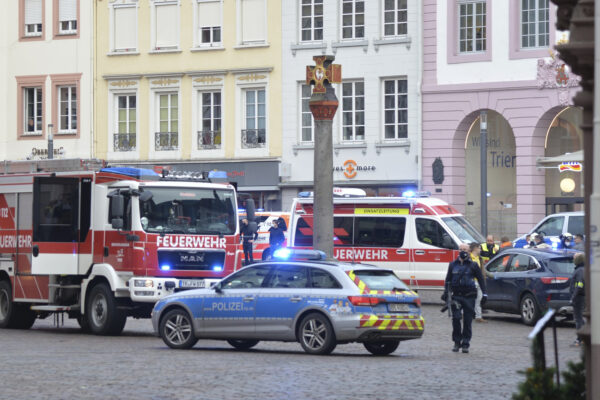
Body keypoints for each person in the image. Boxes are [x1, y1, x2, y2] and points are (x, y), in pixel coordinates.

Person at [442, 243, 487, 353]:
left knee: (467, 321)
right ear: (458, 251)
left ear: (469, 251)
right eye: (461, 249)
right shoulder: (452, 265)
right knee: (456, 319)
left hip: (469, 296)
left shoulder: (473, 265)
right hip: (456, 295)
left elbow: (481, 279)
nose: (463, 252)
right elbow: (448, 280)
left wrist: (484, 294)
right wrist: (446, 292)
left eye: (465, 250)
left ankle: (466, 343)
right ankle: (457, 342)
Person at [570, 252, 585, 347]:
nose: (573, 259)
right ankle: (583, 337)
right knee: (580, 319)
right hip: (580, 296)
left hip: (579, 297)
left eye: (574, 258)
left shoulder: (579, 270)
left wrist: (573, 297)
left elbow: (580, 284)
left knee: (578, 319)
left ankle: (580, 339)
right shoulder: (581, 269)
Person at [469, 242, 487, 323]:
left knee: (479, 299)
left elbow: (482, 270)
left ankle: (478, 316)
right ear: (475, 248)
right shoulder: (469, 258)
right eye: (479, 248)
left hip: (479, 281)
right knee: (469, 299)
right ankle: (465, 313)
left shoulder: (480, 258)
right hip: (471, 281)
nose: (480, 250)